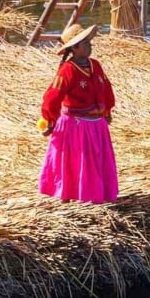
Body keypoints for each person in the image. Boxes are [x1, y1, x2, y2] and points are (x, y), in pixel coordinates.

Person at [39, 23, 119, 204]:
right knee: (75, 161)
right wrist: (50, 120)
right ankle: (67, 196)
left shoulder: (95, 65)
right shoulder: (67, 70)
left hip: (97, 123)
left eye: (89, 42)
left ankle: (98, 195)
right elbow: (53, 96)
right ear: (74, 48)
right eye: (85, 43)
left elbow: (106, 88)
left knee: (97, 161)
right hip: (76, 125)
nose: (90, 45)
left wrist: (107, 110)